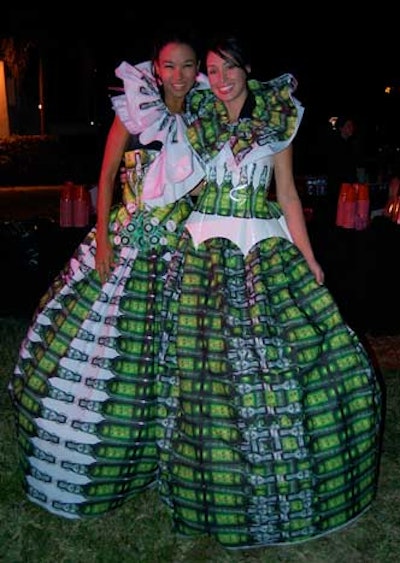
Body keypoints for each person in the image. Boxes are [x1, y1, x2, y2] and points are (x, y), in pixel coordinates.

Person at [158, 34, 383, 549]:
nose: (220, 80)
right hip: (203, 243)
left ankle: (272, 465)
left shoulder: (276, 125)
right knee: (203, 358)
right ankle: (208, 471)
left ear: (247, 70)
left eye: (229, 68)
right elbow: (186, 184)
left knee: (276, 350)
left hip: (261, 240)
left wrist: (309, 257)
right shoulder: (196, 121)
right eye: (211, 71)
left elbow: (285, 194)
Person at [9, 29, 208, 519]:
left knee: (176, 344)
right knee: (106, 340)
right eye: (169, 66)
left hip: (182, 247)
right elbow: (105, 177)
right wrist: (102, 239)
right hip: (129, 242)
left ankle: (167, 449)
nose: (178, 76)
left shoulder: (208, 118)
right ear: (155, 70)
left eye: (187, 66)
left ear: (197, 69)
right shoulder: (132, 112)